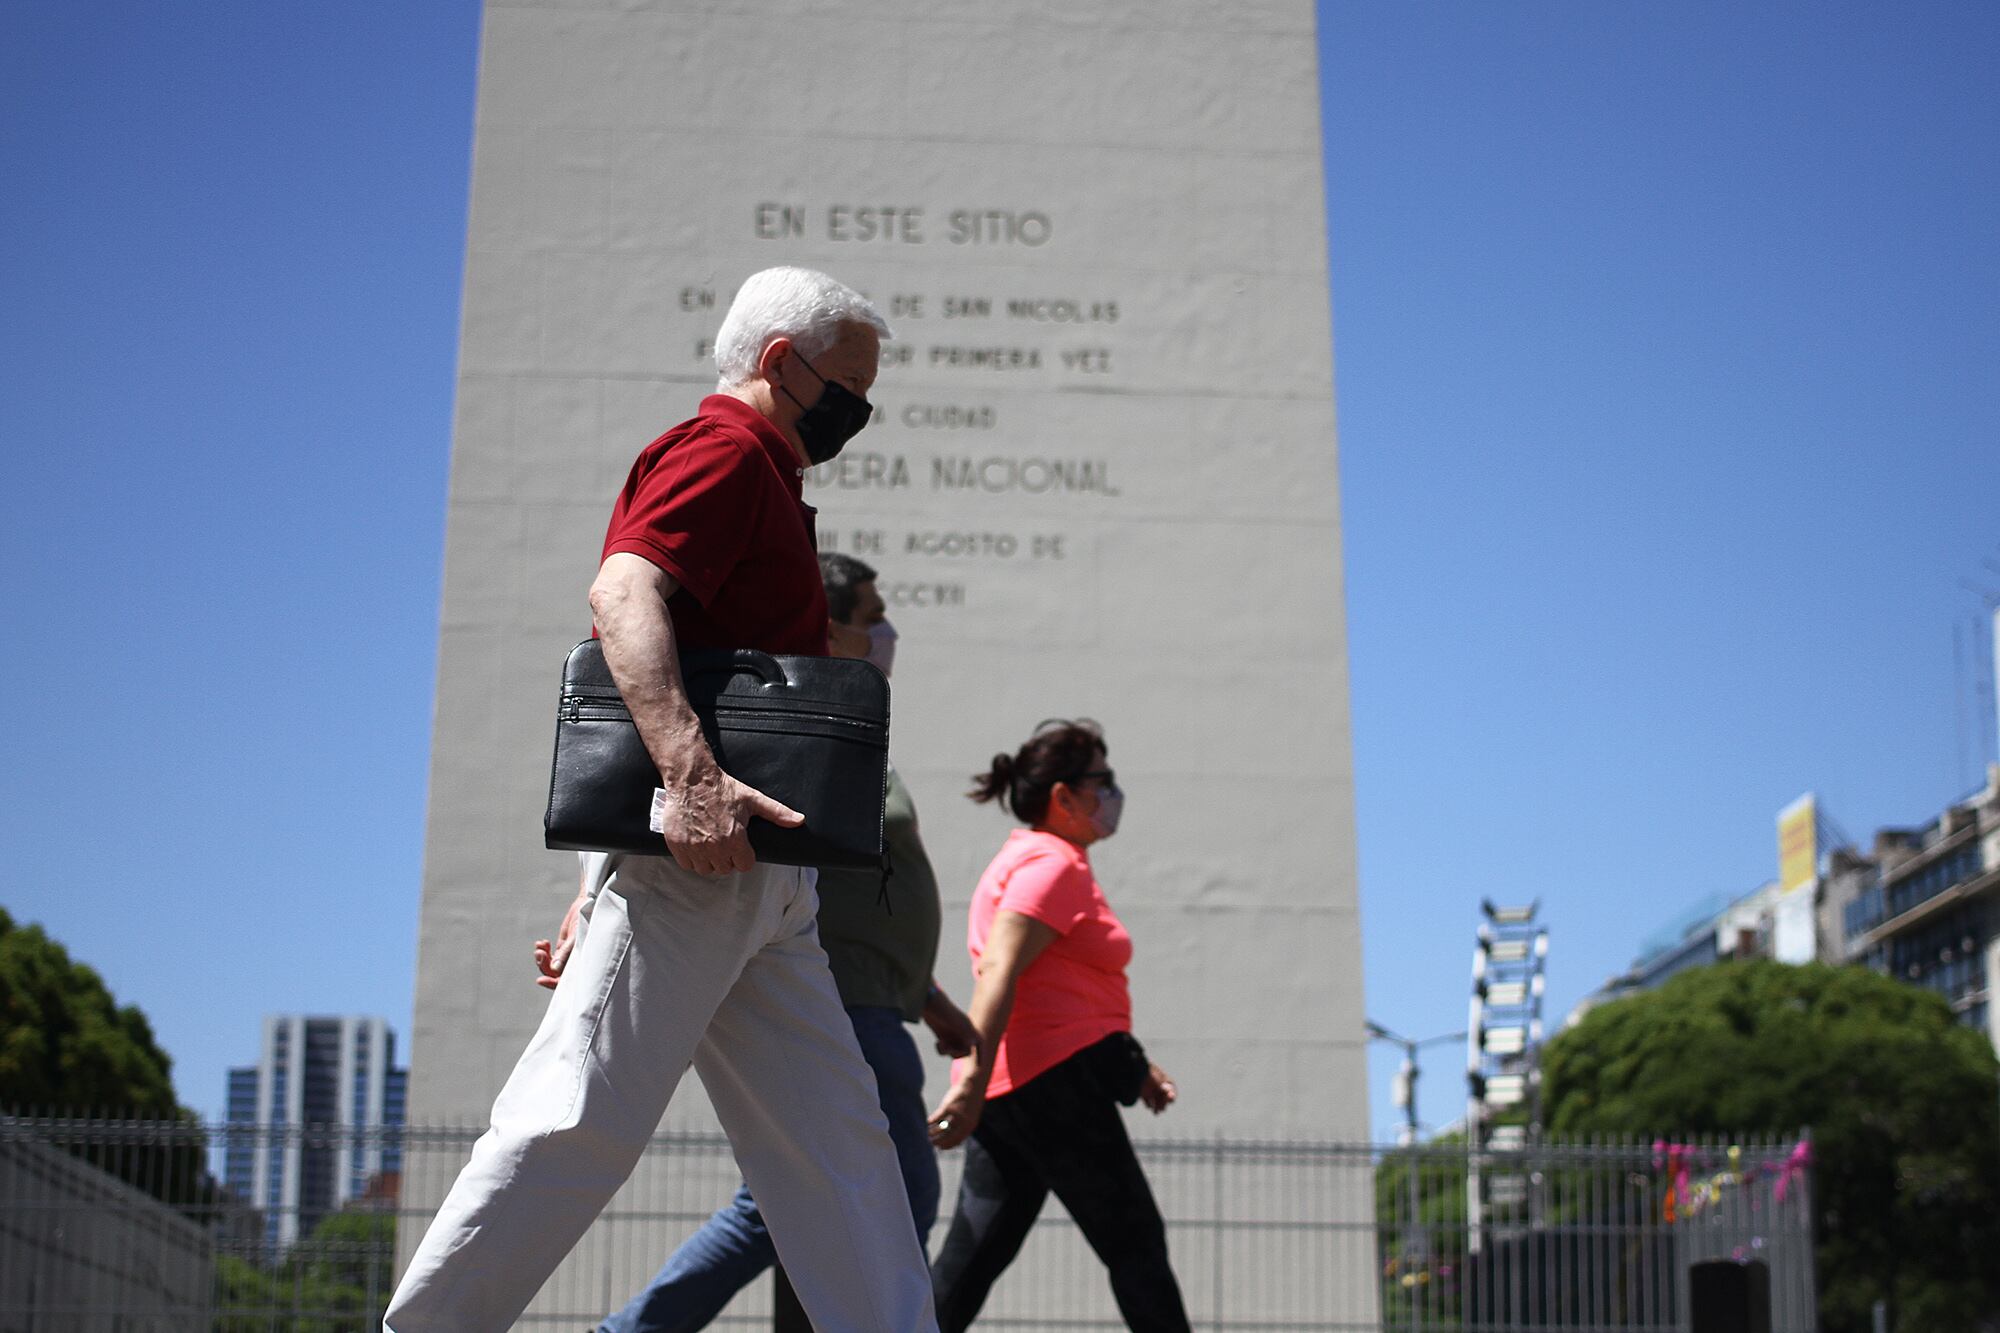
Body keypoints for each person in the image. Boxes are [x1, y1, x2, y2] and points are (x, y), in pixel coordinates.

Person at [383, 268, 939, 1333]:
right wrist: (686, 783)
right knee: (572, 1119)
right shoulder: (723, 451)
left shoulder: (762, 472)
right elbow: (623, 591)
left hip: (762, 881)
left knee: (841, 1156)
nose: (857, 410)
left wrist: (609, 868)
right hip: (704, 863)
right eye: (850, 385)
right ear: (781, 362)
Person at [543, 553, 978, 1333]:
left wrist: (930, 995)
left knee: (806, 1202)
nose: (886, 630)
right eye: (873, 613)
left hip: (877, 995)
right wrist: (588, 898)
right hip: (839, 998)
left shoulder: (842, 719)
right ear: (836, 623)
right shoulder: (783, 720)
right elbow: (650, 783)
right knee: (877, 1193)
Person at [926, 721, 1192, 1333]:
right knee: (1136, 1245)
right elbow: (998, 971)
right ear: (1064, 797)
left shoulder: (1030, 858)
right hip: (1051, 1089)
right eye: (1104, 781)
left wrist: (1136, 1065)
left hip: (1016, 1089)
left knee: (969, 1268)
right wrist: (967, 1084)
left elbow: (1064, 990)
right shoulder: (1053, 865)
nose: (1115, 793)